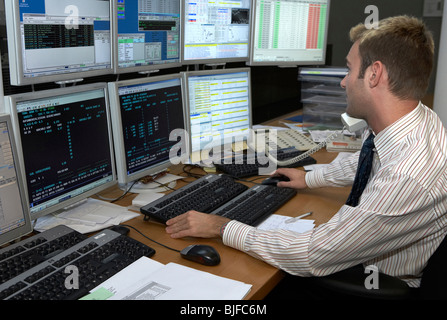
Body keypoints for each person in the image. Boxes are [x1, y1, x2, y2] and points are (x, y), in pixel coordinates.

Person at [166, 15, 447, 291]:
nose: (343, 82)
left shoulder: (407, 175)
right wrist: (310, 178)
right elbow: (371, 159)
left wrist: (223, 227)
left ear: (374, 74)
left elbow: (312, 254)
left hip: (373, 277)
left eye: (349, 70)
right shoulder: (420, 120)